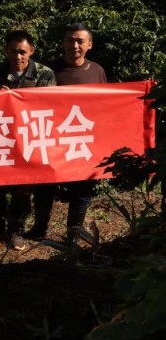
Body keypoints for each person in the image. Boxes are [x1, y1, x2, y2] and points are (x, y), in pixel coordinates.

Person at [29, 23, 109, 244]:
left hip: (83, 137)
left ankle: (74, 232)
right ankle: (39, 228)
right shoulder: (48, 69)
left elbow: (106, 104)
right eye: (70, 40)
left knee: (83, 186)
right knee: (45, 184)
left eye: (80, 41)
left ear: (89, 45)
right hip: (52, 136)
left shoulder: (97, 70)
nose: (75, 45)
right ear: (63, 43)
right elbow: (34, 100)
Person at [0, 31, 55, 250]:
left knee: (23, 188)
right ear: (6, 51)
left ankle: (16, 229)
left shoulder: (44, 74)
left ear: (31, 51)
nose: (18, 56)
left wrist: (19, 99)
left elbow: (50, 106)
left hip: (28, 138)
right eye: (13, 51)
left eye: (23, 52)